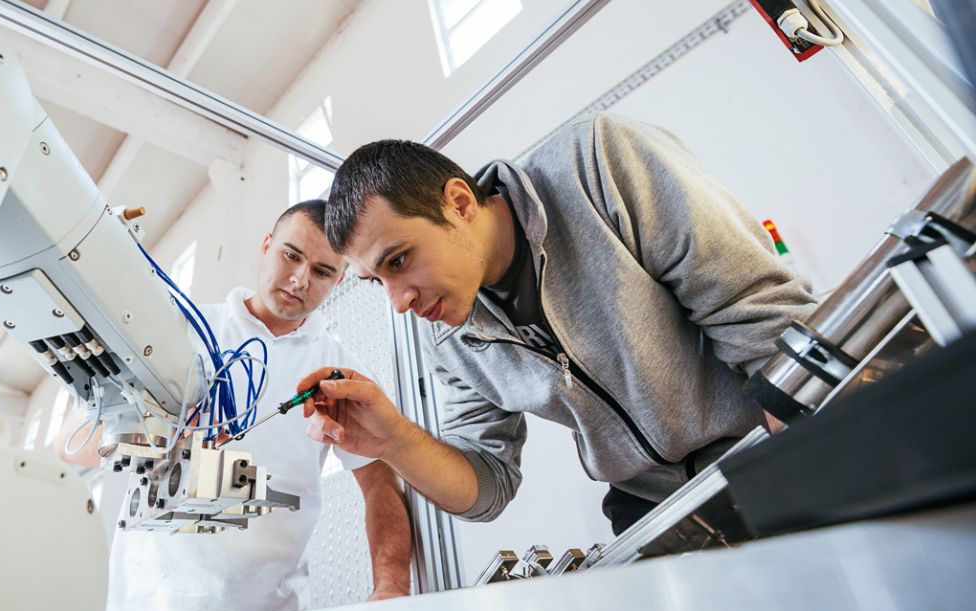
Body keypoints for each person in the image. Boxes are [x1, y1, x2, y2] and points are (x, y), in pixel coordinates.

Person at [296, 113, 817, 535]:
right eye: (376, 281)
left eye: (398, 260)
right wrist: (393, 442)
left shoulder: (597, 163)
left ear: (458, 203)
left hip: (768, 445)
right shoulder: (447, 336)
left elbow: (759, 315)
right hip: (652, 506)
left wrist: (804, 474)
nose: (398, 302)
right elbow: (488, 482)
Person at [58, 200, 411, 611]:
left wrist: (392, 585)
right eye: (291, 255)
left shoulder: (339, 372)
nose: (300, 279)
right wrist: (155, 433)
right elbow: (71, 444)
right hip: (146, 609)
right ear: (266, 245)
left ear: (339, 280)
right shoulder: (180, 331)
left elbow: (380, 484)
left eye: (321, 271)